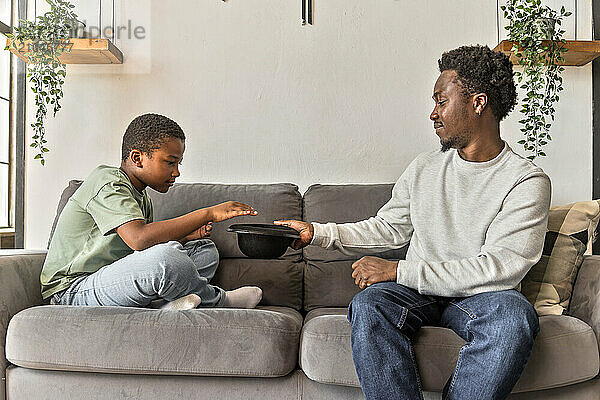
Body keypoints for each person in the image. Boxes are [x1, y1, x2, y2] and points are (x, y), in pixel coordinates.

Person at [276, 45, 551, 400]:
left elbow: (501, 268)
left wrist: (397, 271)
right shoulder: (425, 167)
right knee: (370, 305)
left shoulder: (526, 180)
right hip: (417, 293)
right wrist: (318, 233)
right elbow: (387, 227)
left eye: (441, 101)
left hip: (480, 298)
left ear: (478, 103)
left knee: (514, 320)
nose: (433, 114)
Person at [41, 113, 263, 310]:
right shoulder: (107, 182)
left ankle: (169, 304)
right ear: (138, 158)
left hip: (114, 280)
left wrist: (186, 236)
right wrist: (208, 213)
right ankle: (220, 301)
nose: (176, 172)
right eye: (170, 162)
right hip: (73, 291)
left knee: (204, 249)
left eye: (179, 164)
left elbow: (137, 252)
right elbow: (139, 240)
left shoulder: (142, 196)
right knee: (166, 259)